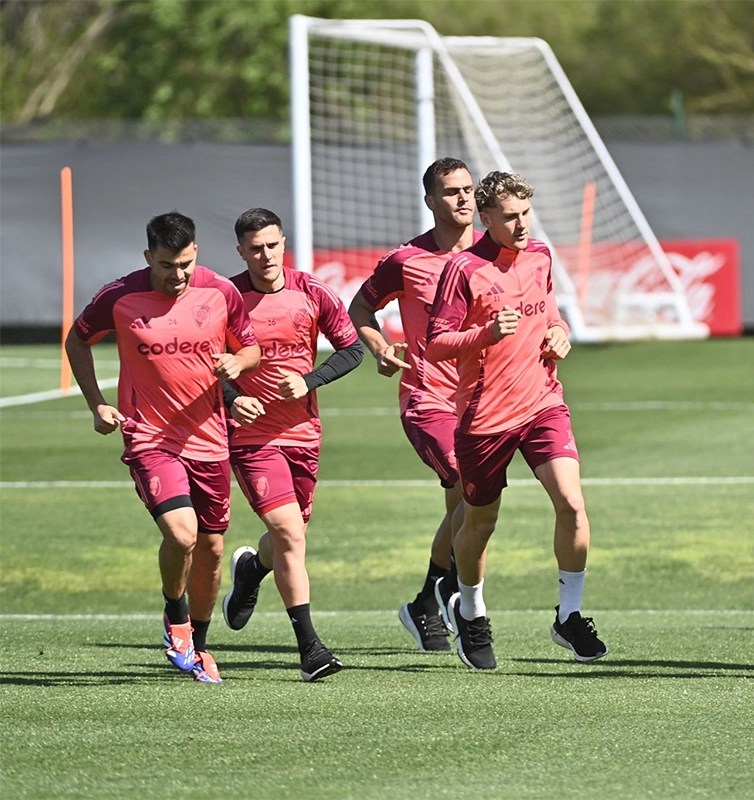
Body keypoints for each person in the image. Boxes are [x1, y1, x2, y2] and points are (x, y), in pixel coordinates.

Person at [64, 211, 260, 684]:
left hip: (210, 439)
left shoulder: (221, 291)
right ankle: (175, 614)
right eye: (168, 265)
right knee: (181, 533)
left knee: (212, 550)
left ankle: (198, 645)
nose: (179, 275)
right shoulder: (120, 296)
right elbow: (78, 339)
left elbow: (251, 348)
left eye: (186, 264)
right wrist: (97, 404)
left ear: (197, 254)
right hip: (149, 436)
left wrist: (237, 361)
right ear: (148, 257)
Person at [426, 170, 608, 670]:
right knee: (480, 521)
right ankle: (471, 609)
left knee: (572, 503)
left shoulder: (541, 256)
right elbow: (436, 343)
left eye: (526, 213)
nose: (522, 224)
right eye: (509, 216)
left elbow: (550, 313)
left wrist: (560, 333)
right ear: (486, 219)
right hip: (484, 417)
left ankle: (569, 616)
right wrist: (484, 334)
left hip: (543, 402)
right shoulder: (463, 270)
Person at [218, 208, 363, 681]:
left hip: (302, 434)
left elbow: (353, 349)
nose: (265, 255)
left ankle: (250, 571)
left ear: (284, 244)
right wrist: (235, 399)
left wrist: (310, 379)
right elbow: (202, 364)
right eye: (255, 248)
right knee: (290, 534)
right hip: (252, 437)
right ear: (241, 250)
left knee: (290, 533)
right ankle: (311, 649)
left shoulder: (312, 292)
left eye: (272, 245)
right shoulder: (225, 299)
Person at [347, 157, 482, 652]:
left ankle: (428, 598)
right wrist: (379, 347)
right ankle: (458, 604)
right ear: (430, 201)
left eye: (469, 189)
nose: (464, 198)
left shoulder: (496, 258)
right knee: (471, 489)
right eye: (451, 191)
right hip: (428, 398)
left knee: (468, 506)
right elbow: (359, 307)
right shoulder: (406, 260)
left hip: (485, 402)